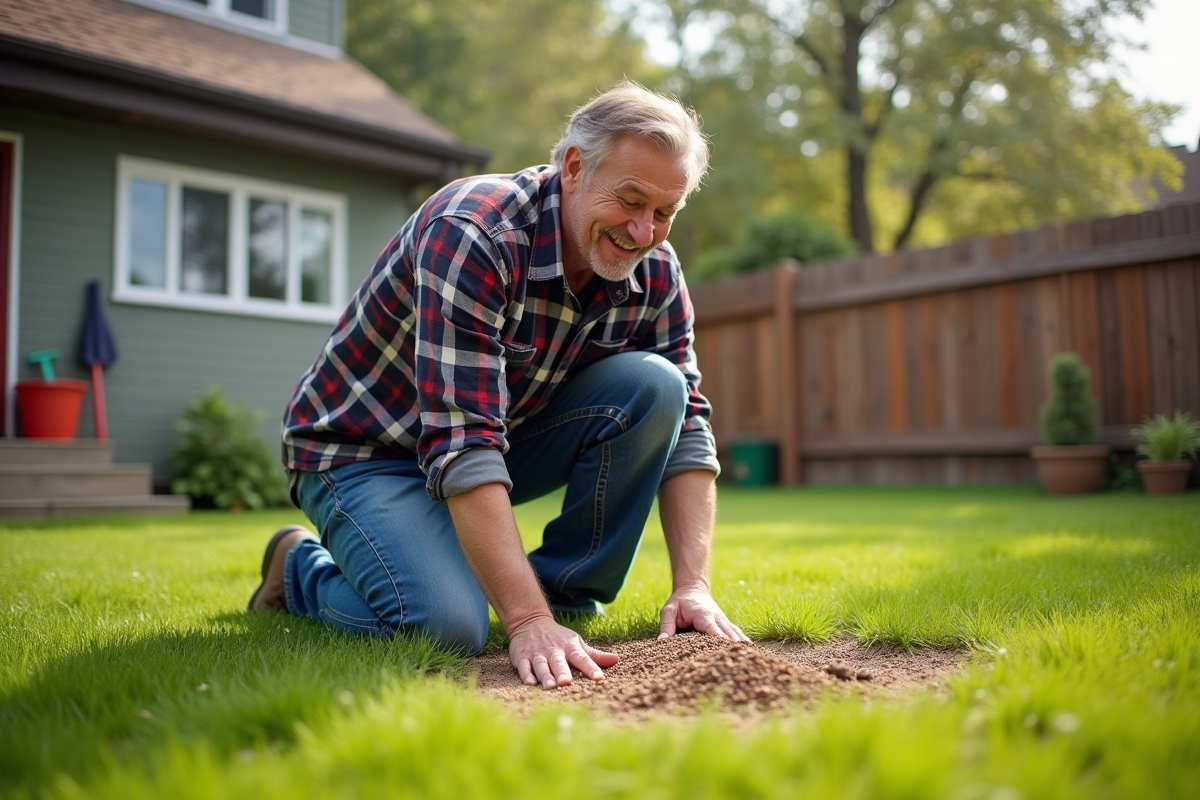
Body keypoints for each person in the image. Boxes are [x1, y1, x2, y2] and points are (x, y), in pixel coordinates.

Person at [248, 81, 749, 690]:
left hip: (491, 441)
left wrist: (692, 585)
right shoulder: (474, 233)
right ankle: (299, 567)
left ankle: (566, 606)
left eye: (664, 212)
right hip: (362, 452)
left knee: (657, 387)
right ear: (572, 167)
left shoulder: (656, 273)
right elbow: (463, 441)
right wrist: (522, 618)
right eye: (630, 200)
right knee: (445, 627)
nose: (644, 232)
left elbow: (689, 426)